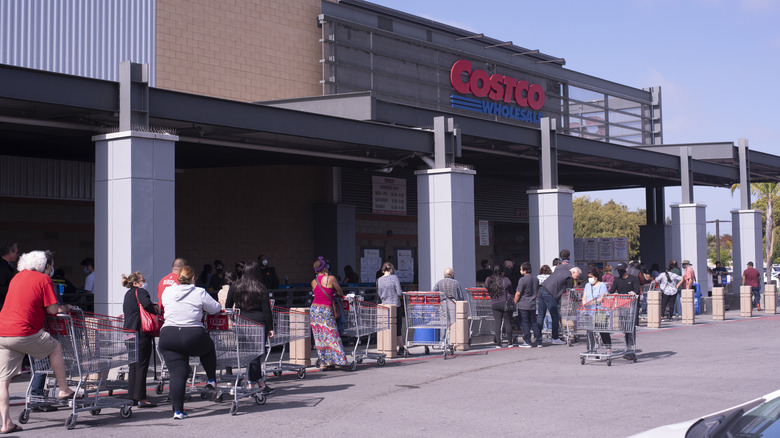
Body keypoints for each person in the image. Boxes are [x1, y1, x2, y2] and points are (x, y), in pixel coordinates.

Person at [0, 250, 78, 434]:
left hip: (3, 331)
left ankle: (5, 423)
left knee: (3, 381)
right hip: (24, 331)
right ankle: (64, 389)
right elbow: (52, 310)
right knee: (55, 347)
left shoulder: (16, 278)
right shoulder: (43, 279)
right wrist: (65, 307)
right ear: (45, 266)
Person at [158, 265, 221, 420]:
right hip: (192, 334)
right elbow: (215, 309)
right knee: (208, 348)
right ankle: (211, 379)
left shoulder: (168, 291)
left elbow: (164, 306)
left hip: (168, 335)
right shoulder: (199, 292)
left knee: (177, 374)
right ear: (193, 278)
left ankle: (178, 411)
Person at [225, 261, 275, 394]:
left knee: (249, 354)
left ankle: (257, 383)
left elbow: (228, 306)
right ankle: (255, 383)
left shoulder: (235, 286)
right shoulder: (260, 288)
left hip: (242, 323)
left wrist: (234, 318)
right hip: (259, 324)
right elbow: (267, 310)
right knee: (256, 354)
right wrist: (271, 327)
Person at [121, 271, 159, 408]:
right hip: (140, 333)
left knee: (133, 365)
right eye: (143, 280)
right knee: (142, 365)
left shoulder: (128, 294)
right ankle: (141, 397)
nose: (145, 282)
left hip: (128, 332)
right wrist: (156, 309)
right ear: (136, 283)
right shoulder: (140, 292)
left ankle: (132, 395)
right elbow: (147, 305)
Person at [309, 257, 347, 370]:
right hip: (326, 309)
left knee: (320, 337)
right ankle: (339, 360)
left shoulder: (313, 282)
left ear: (315, 270)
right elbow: (340, 292)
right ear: (325, 268)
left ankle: (324, 362)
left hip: (314, 310)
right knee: (332, 335)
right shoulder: (331, 278)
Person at [538, 265, 581, 345]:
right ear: (573, 272)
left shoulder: (560, 271)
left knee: (541, 315)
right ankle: (555, 338)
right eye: (577, 276)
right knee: (555, 315)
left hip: (542, 289)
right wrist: (577, 300)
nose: (576, 278)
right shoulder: (569, 277)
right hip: (550, 293)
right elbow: (570, 291)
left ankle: (538, 338)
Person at [609, 262, 640, 354]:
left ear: (626, 269)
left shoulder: (633, 279)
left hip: (631, 306)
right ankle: (628, 346)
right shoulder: (617, 280)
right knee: (625, 327)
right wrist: (610, 295)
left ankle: (631, 346)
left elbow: (637, 290)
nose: (620, 272)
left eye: (621, 270)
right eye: (618, 270)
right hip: (622, 306)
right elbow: (611, 291)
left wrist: (633, 293)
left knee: (631, 327)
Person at [376, 262, 404, 355]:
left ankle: (388, 346)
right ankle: (401, 347)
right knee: (398, 327)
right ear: (391, 269)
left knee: (387, 327)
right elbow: (399, 292)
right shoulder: (394, 278)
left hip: (385, 306)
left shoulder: (379, 280)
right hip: (395, 305)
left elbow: (379, 294)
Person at [485, 266, 513, 348]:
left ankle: (498, 343)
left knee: (497, 322)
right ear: (502, 272)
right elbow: (511, 289)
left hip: (494, 302)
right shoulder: (506, 280)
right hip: (505, 302)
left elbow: (486, 287)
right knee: (508, 322)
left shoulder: (489, 279)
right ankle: (510, 342)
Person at [583, 267, 609, 353]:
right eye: (588, 277)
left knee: (602, 330)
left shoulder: (602, 285)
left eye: (591, 277)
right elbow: (584, 296)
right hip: (589, 311)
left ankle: (608, 347)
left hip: (599, 311)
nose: (589, 279)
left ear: (596, 277)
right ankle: (591, 348)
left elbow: (602, 298)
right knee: (590, 331)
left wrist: (591, 303)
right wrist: (584, 304)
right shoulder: (587, 285)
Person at [514, 262, 541, 348]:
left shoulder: (522, 280)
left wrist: (514, 302)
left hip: (523, 304)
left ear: (525, 270)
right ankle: (539, 340)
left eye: (521, 269)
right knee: (534, 322)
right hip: (532, 304)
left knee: (525, 322)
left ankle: (527, 341)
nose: (520, 270)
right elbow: (537, 292)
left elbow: (518, 293)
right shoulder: (536, 279)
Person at [0, 243, 19, 310]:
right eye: (16, 253)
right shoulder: (2, 267)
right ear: (10, 252)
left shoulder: (7, 266)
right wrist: (14, 289)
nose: (17, 255)